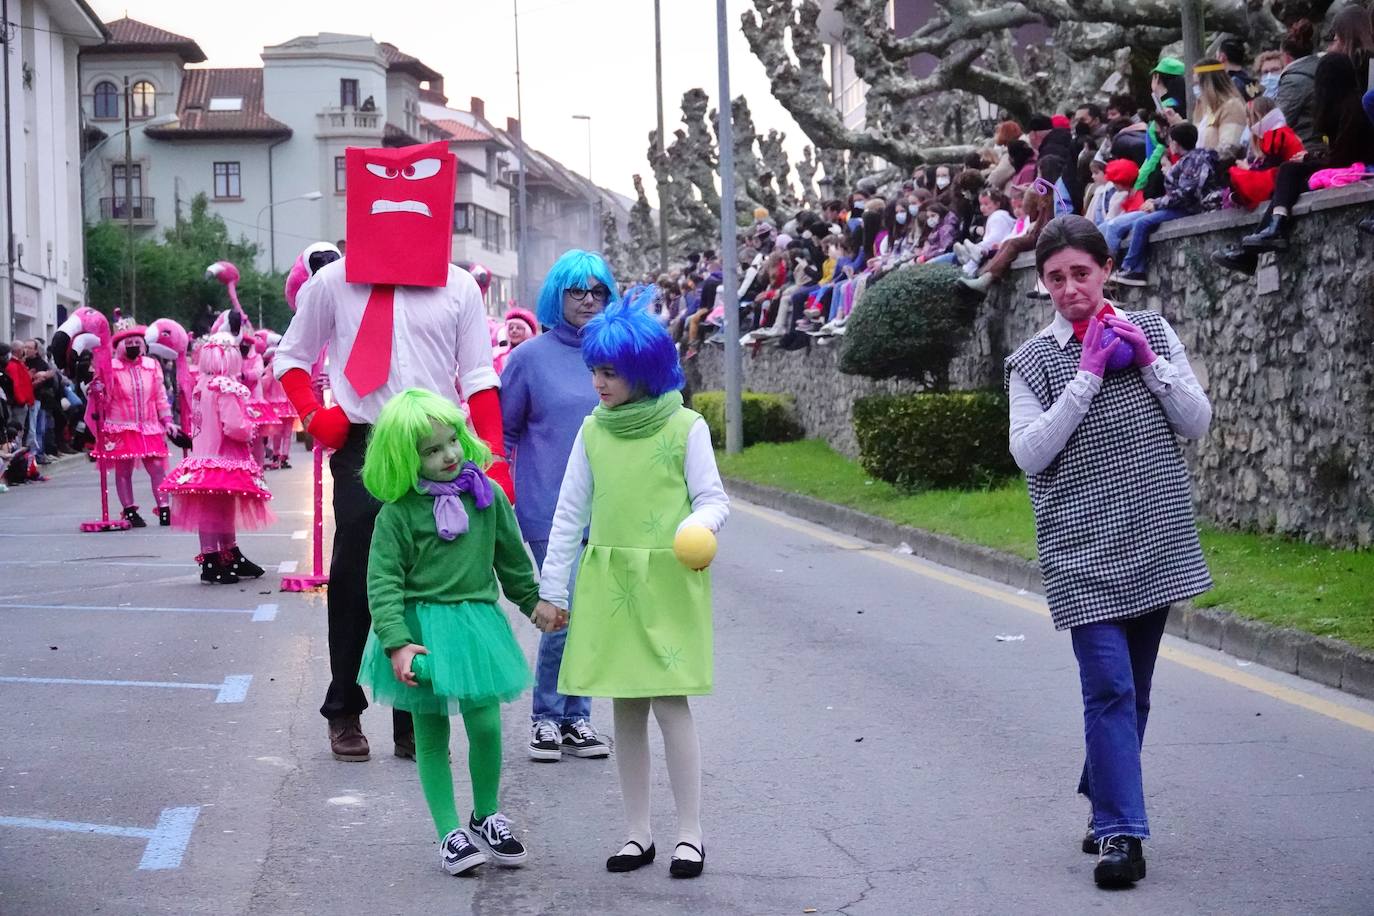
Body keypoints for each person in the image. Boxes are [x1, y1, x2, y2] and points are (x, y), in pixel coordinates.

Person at [276, 141, 512, 763]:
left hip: (438, 441)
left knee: (429, 578)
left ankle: (417, 710)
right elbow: (290, 358)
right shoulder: (332, 284)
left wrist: (494, 462)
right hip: (364, 443)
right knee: (357, 575)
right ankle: (344, 706)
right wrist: (315, 413)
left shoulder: (459, 287)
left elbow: (479, 376)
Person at [1004, 215, 1212, 889]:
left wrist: (1147, 365)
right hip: (1079, 551)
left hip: (1153, 537)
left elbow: (1196, 422)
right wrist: (1086, 375)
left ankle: (1105, 798)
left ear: (1106, 271)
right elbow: (1028, 453)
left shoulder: (1150, 331)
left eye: (1081, 274)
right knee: (1111, 688)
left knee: (1136, 691)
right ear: (1044, 284)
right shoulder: (1032, 361)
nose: (1070, 289)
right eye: (1056, 278)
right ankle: (1122, 834)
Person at [535, 304, 728, 878]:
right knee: (625, 706)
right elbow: (568, 513)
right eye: (595, 370)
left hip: (668, 580)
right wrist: (553, 591)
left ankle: (689, 834)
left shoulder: (685, 426)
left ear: (645, 370)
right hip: (609, 580)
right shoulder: (593, 429)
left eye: (611, 373)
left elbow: (714, 499)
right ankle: (637, 833)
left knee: (671, 704)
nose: (598, 382)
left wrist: (698, 527)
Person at [356, 387, 561, 875]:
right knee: (430, 733)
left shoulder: (487, 499)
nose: (448, 454)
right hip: (420, 629)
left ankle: (486, 813)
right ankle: (449, 831)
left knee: (487, 726)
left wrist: (536, 604)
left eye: (451, 440)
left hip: (475, 628)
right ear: (405, 458)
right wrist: (396, 643)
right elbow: (382, 582)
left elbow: (512, 563)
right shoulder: (398, 513)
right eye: (430, 450)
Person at [501, 249, 615, 762]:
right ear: (557, 296)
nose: (588, 300)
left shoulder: (616, 353)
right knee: (562, 609)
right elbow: (503, 432)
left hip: (610, 508)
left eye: (597, 291)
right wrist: (498, 496)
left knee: (592, 618)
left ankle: (577, 718)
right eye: (577, 291)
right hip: (548, 506)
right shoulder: (529, 358)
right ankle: (546, 717)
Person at [1214, 51, 1374, 270]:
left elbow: (1345, 154)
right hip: (1344, 162)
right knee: (1288, 176)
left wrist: (1309, 158)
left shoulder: (1352, 109)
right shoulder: (1343, 107)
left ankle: (1268, 234)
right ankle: (1267, 234)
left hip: (1355, 166)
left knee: (1289, 171)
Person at [159, 325, 275, 584]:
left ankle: (223, 555)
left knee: (213, 508)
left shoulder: (202, 384)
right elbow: (234, 426)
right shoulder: (225, 386)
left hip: (204, 456)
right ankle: (217, 558)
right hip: (224, 456)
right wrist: (250, 426)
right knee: (219, 509)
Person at [1111, 122, 1220, 287]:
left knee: (1142, 222)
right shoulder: (1192, 159)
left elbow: (1185, 193)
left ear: (1176, 143)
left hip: (1190, 208)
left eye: (1171, 141)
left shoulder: (1193, 161)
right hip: (1183, 205)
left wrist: (1157, 203)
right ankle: (1135, 267)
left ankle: (1131, 268)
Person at [104, 325, 176, 527]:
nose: (134, 345)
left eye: (137, 342)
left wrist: (167, 421)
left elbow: (160, 396)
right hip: (122, 426)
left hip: (149, 426)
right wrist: (97, 388)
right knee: (124, 471)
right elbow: (105, 399)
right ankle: (129, 511)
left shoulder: (152, 366)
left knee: (157, 469)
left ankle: (164, 510)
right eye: (129, 343)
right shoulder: (112, 367)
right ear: (119, 346)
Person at [1276, 19, 1320, 146]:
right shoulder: (1321, 68)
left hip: (1305, 146)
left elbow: (1280, 122)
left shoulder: (1293, 81)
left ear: (1286, 56)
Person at [1191, 58, 1248, 150]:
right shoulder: (1202, 107)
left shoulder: (1232, 107)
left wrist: (1203, 161)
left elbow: (1229, 147)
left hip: (1216, 163)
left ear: (1209, 84)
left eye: (1197, 83)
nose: (1195, 88)